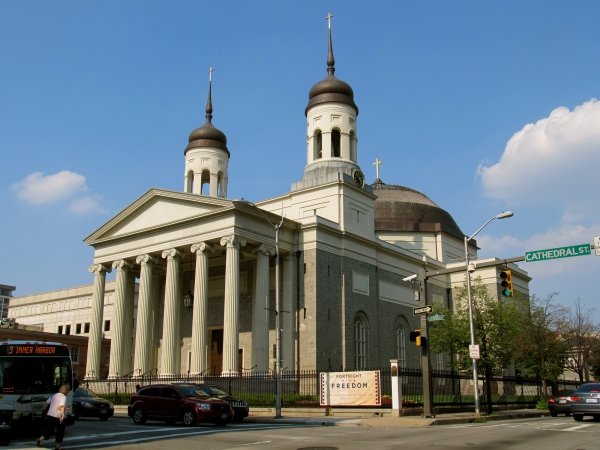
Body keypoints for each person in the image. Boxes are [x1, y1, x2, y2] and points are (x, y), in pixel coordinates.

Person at [36, 384, 69, 450]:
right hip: (58, 416)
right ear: (66, 391)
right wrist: (62, 416)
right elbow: (62, 406)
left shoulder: (54, 395)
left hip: (51, 414)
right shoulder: (63, 397)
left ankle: (40, 439)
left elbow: (47, 402)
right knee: (60, 431)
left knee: (49, 429)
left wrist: (44, 409)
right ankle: (57, 446)